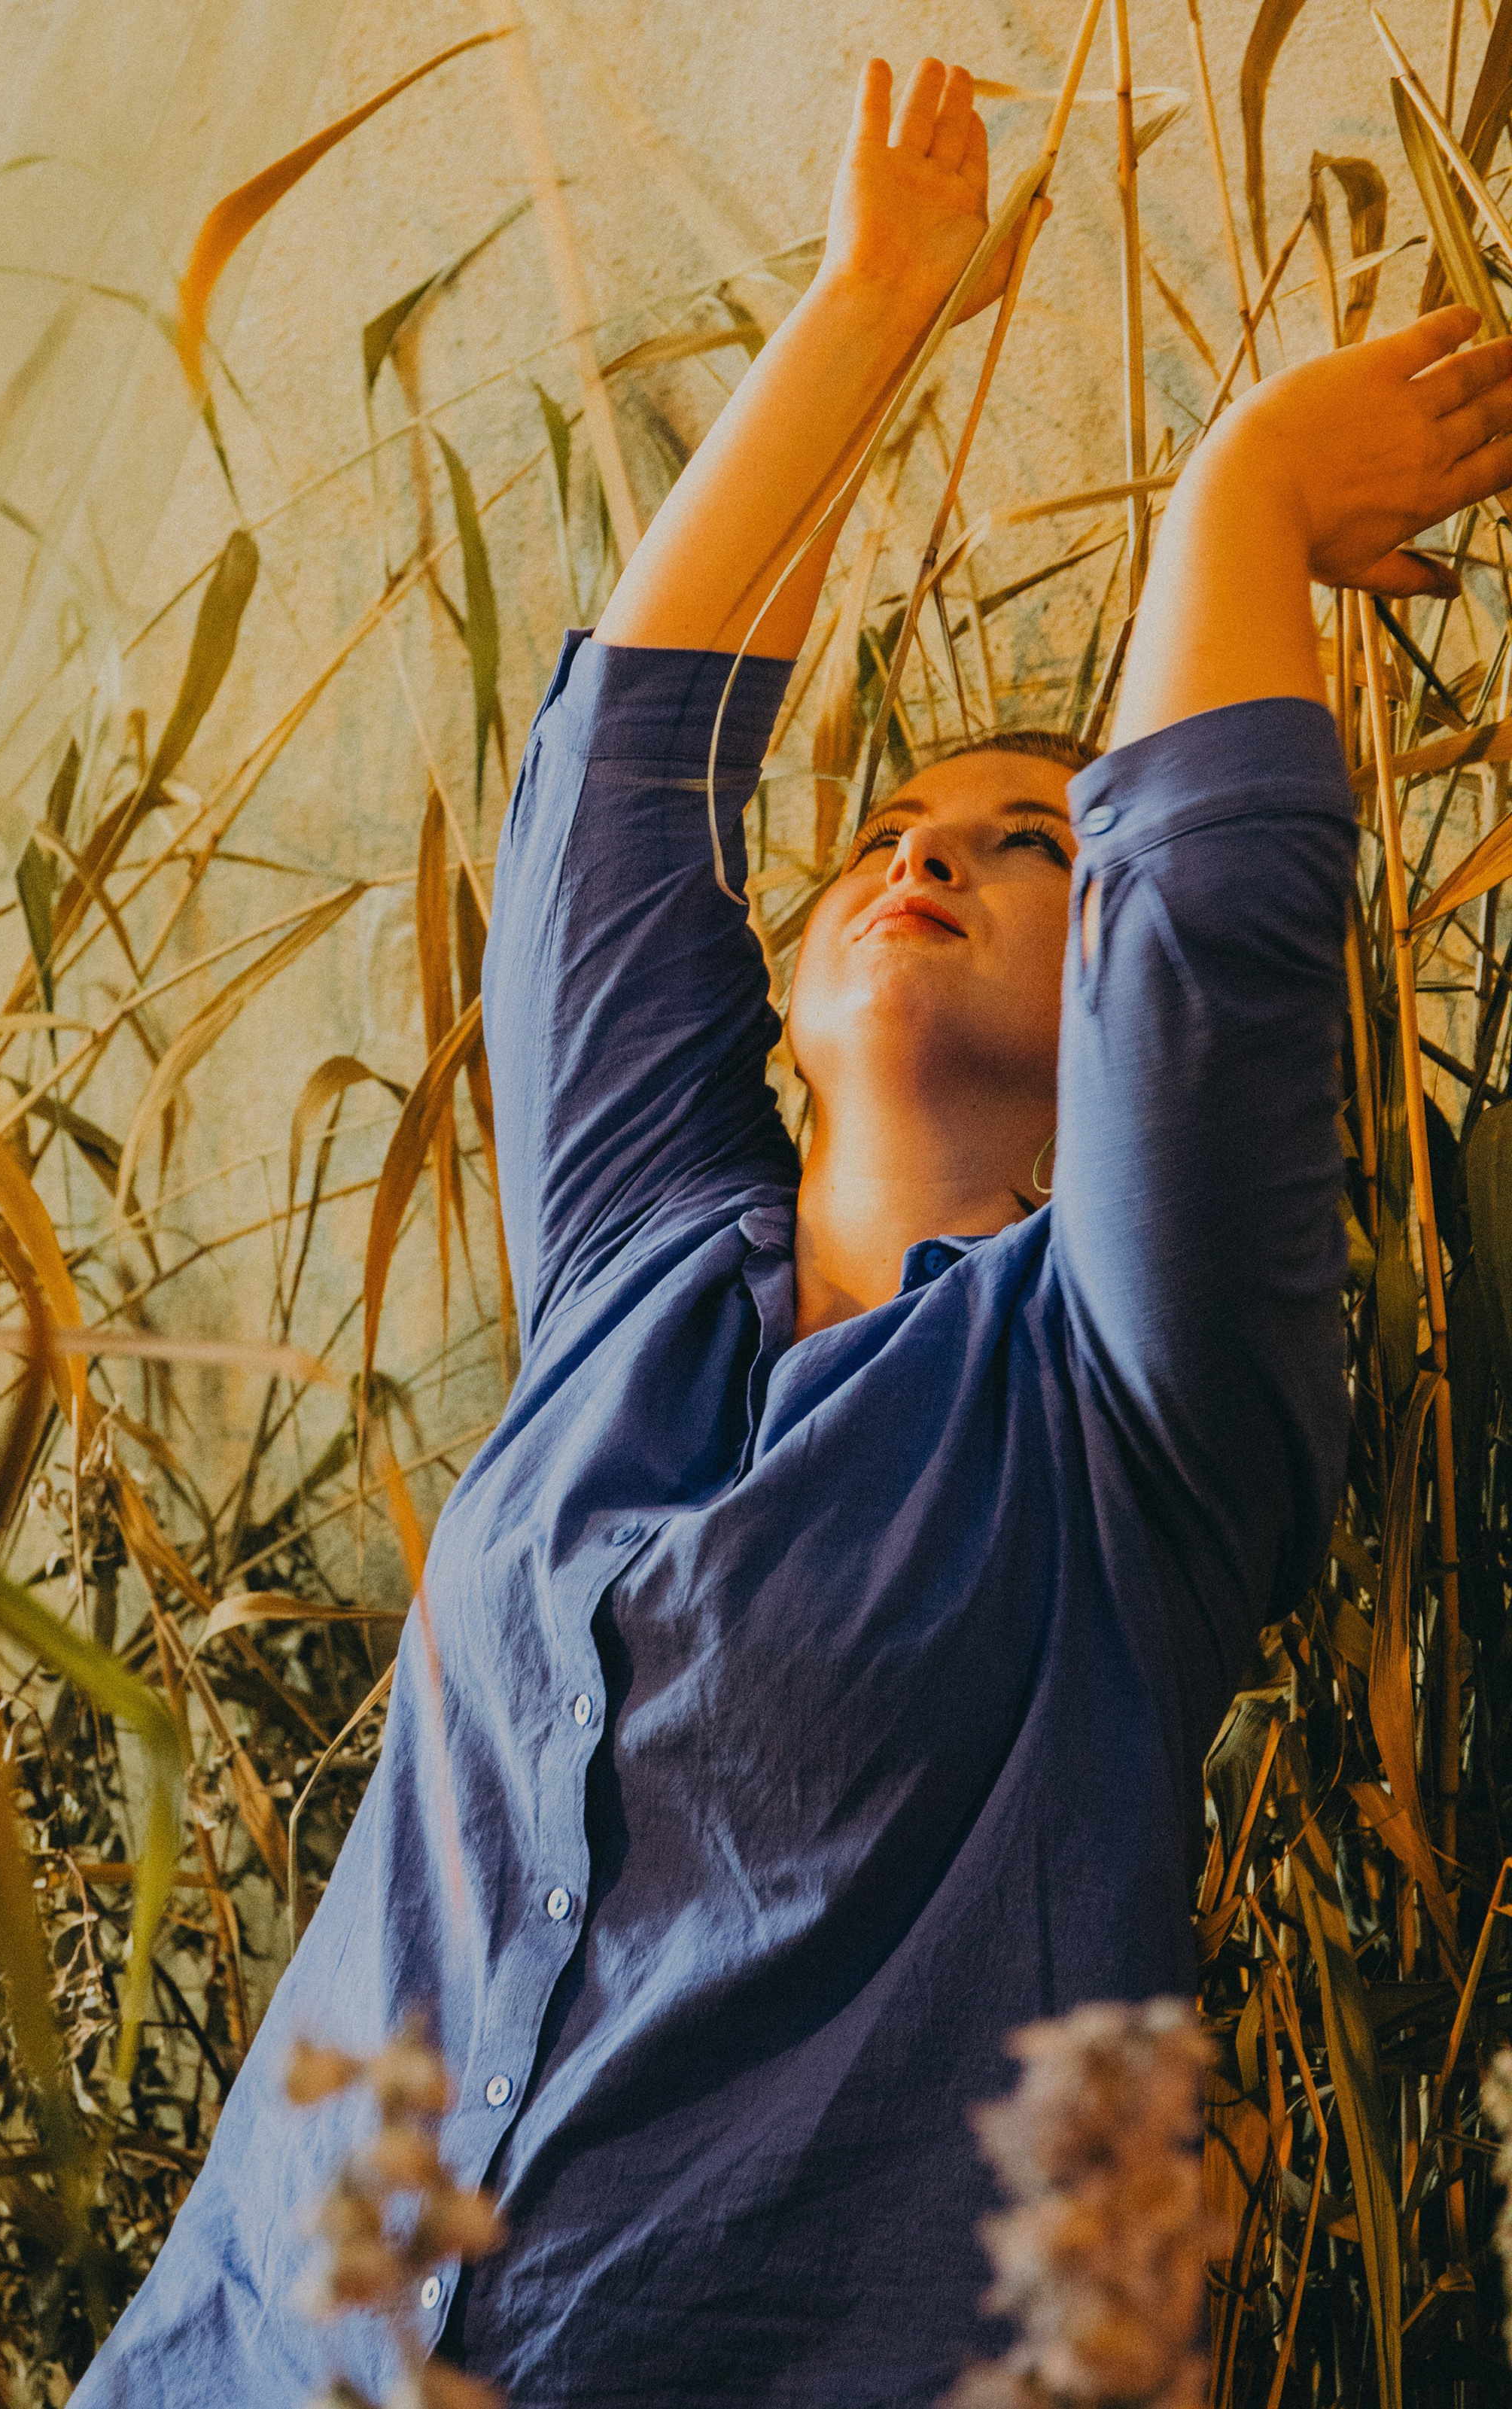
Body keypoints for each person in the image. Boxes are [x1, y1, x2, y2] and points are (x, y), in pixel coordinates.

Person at [75, 53, 1512, 2409]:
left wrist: (1238, 496)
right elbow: (614, 797)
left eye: (1032, 840)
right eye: (899, 824)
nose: (927, 853)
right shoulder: (641, 1275)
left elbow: (1211, 927)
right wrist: (873, 301)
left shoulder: (1123, 1430)